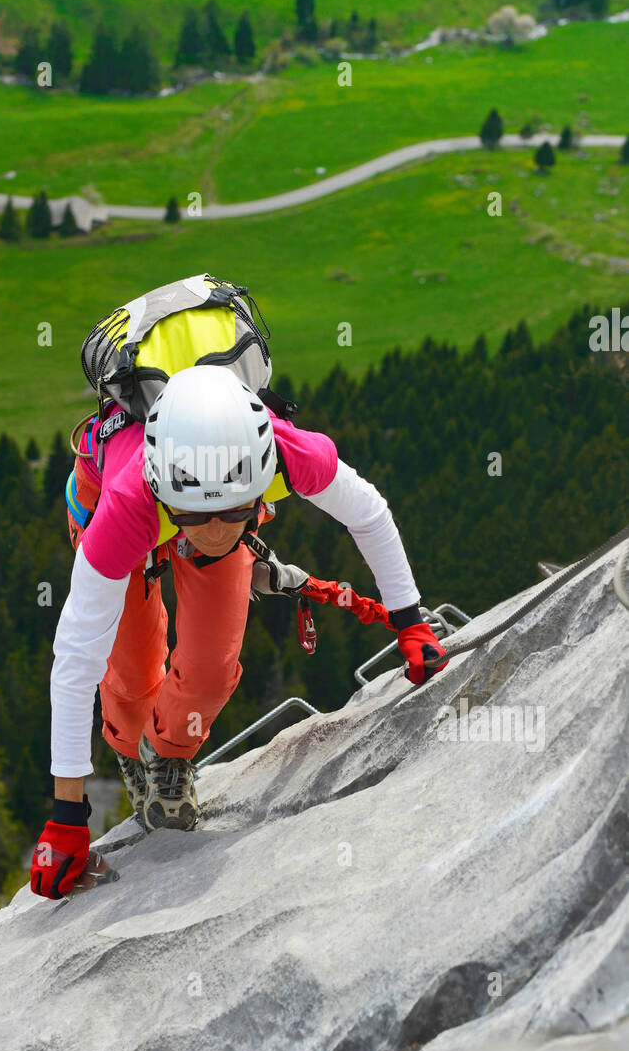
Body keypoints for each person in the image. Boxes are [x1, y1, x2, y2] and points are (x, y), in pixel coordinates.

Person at [30, 364, 446, 900]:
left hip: (169, 509)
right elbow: (76, 658)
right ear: (163, 486)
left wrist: (409, 621)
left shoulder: (289, 453)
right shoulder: (126, 506)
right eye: (199, 518)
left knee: (211, 666)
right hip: (124, 506)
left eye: (232, 513)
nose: (215, 532)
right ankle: (132, 749)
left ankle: (170, 754)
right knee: (130, 672)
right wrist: (67, 811)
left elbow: (367, 513)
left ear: (258, 484)